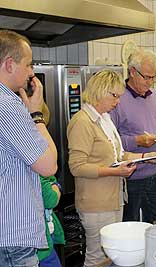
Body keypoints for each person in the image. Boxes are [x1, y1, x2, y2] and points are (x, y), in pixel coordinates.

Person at [67, 70, 153, 266]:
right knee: (97, 256)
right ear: (99, 91)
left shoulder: (104, 120)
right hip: (95, 203)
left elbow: (117, 156)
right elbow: (77, 167)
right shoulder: (82, 122)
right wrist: (116, 172)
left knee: (110, 255)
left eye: (119, 96)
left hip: (114, 199)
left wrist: (144, 157)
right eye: (114, 96)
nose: (118, 101)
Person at [0, 30, 58, 266]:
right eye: (29, 64)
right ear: (10, 64)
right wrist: (36, 114)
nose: (32, 72)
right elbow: (48, 166)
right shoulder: (8, 106)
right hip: (13, 236)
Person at [110, 48, 156, 223]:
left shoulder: (153, 97)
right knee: (131, 228)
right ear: (132, 72)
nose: (150, 82)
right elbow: (110, 141)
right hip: (131, 177)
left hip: (155, 175)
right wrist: (137, 141)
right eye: (146, 77)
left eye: (153, 77)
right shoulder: (118, 99)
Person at [38, 175, 64, 267]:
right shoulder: (36, 171)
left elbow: (51, 178)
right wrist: (56, 186)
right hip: (40, 238)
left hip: (44, 235)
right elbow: (51, 199)